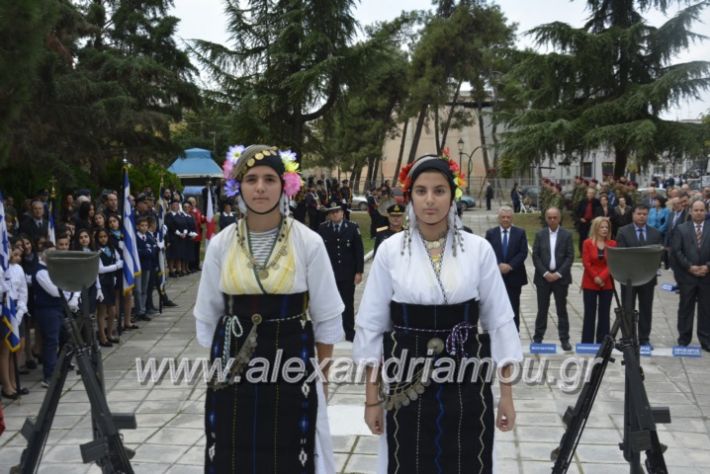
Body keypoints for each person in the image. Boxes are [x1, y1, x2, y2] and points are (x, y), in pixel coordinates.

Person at [353, 153, 521, 473]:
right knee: (408, 459)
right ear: (410, 195)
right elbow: (371, 326)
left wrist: (507, 396)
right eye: (421, 191)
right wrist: (371, 398)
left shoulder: (478, 250)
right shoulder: (390, 251)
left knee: (467, 457)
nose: (430, 200)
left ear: (452, 194)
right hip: (406, 380)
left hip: (466, 379)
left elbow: (500, 323)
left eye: (439, 190)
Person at [194, 144, 344, 473]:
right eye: (251, 179)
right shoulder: (221, 244)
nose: (260, 188)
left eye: (269, 179)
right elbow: (208, 313)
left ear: (285, 185)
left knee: (290, 446)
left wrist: (322, 378)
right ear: (238, 186)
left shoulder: (308, 242)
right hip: (232, 363)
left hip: (292, 362)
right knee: (233, 445)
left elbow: (327, 316)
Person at [616, 204, 663, 348]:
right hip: (629, 278)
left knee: (646, 308)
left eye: (644, 214)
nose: (641, 216)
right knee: (627, 309)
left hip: (648, 279)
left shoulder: (655, 233)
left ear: (647, 215)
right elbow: (621, 255)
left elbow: (658, 256)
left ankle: (644, 338)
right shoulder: (623, 232)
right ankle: (628, 337)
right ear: (633, 215)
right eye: (639, 213)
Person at [318, 201, 364, 342]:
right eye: (332, 212)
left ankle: (349, 332)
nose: (335, 214)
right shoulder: (322, 228)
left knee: (347, 304)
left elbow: (359, 251)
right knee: (329, 304)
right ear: (329, 215)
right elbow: (319, 252)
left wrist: (359, 272)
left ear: (342, 213)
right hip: (330, 274)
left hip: (347, 273)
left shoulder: (352, 227)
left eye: (337, 211)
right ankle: (330, 332)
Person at [532, 207, 575, 350]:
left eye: (554, 217)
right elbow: (535, 256)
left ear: (559, 218)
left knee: (561, 310)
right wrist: (545, 273)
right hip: (543, 279)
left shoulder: (566, 235)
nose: (552, 220)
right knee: (542, 309)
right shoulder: (540, 234)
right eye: (549, 217)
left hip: (560, 279)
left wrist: (558, 274)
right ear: (546, 218)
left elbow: (570, 256)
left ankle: (565, 339)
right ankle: (538, 338)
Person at [671, 199, 710, 351]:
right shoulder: (681, 229)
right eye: (696, 210)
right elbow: (677, 251)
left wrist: (707, 267)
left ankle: (705, 339)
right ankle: (684, 339)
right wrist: (690, 267)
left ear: (706, 211)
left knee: (706, 309)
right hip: (687, 276)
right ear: (690, 211)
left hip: (707, 277)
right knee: (685, 308)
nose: (699, 213)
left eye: (701, 210)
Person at [485, 206, 528, 330]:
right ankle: (497, 332)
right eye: (503, 217)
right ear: (499, 218)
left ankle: (515, 332)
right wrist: (498, 265)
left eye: (508, 217)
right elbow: (488, 252)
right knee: (496, 307)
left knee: (514, 306)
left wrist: (510, 266)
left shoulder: (520, 233)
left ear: (512, 218)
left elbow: (523, 252)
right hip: (496, 277)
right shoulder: (491, 233)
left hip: (514, 277)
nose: (505, 219)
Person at [581, 217, 616, 343]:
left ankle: (603, 343)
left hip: (606, 283)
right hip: (590, 282)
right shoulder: (587, 243)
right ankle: (587, 342)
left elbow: (612, 263)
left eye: (607, 227)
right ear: (596, 228)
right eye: (602, 227)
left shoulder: (612, 244)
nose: (605, 229)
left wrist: (602, 277)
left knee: (604, 314)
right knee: (589, 314)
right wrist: (595, 277)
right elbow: (586, 262)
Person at [575, 187, 602, 255]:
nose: (591, 194)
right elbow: (576, 212)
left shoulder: (597, 202)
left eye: (592, 193)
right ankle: (582, 252)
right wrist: (580, 218)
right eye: (589, 193)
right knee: (582, 238)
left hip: (592, 222)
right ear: (587, 194)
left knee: (593, 238)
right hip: (583, 222)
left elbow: (599, 212)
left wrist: (595, 219)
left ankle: (592, 252)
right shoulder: (582, 201)